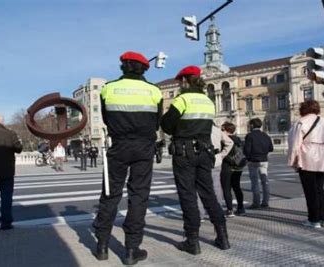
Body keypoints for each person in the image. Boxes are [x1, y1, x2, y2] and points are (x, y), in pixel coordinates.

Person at [92, 51, 163, 265]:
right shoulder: (154, 90)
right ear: (144, 68)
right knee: (139, 195)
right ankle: (132, 249)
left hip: (118, 145)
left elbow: (105, 117)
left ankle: (102, 246)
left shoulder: (108, 88)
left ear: (123, 66)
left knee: (110, 194)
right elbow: (157, 121)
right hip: (144, 147)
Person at [161, 65, 230, 256]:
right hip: (205, 152)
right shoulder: (208, 101)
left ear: (184, 80)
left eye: (180, 81)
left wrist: (177, 129)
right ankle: (223, 237)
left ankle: (192, 241)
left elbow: (167, 124)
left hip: (184, 152)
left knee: (188, 196)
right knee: (208, 194)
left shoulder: (182, 99)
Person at [288, 100, 324, 228]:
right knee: (320, 189)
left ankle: (314, 219)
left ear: (303, 109)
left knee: (310, 191)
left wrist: (292, 161)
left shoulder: (301, 122)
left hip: (307, 158)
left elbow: (295, 144)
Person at [197, 124, 233, 221]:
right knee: (216, 186)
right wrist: (222, 154)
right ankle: (218, 211)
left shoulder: (197, 127)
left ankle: (200, 214)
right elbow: (229, 142)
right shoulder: (216, 130)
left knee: (199, 187)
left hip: (201, 159)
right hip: (216, 158)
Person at [244, 118, 274, 209]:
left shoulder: (250, 136)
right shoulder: (266, 135)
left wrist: (248, 158)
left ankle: (256, 203)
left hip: (253, 161)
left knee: (255, 182)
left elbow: (247, 150)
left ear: (252, 125)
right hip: (264, 160)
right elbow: (271, 148)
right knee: (265, 181)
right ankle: (265, 202)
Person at [221, 122, 246, 217]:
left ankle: (230, 210)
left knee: (226, 188)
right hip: (238, 166)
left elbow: (223, 153)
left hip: (227, 166)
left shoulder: (224, 140)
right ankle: (241, 208)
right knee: (237, 187)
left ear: (225, 130)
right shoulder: (238, 139)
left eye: (222, 129)